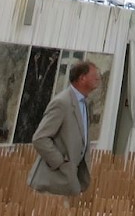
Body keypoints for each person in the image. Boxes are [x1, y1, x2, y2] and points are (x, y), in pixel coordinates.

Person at [28, 60, 100, 196]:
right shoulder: (62, 102)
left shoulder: (85, 104)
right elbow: (40, 138)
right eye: (94, 74)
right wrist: (60, 162)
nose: (98, 78)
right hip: (53, 185)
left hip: (71, 183)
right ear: (82, 78)